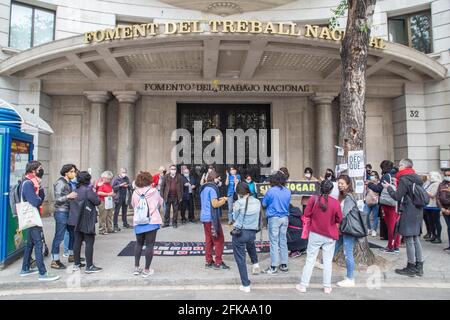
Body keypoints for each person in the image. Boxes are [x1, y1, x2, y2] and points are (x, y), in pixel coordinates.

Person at [296, 180, 343, 294]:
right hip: (330, 234)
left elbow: (306, 214)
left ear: (320, 188)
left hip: (315, 233)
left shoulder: (314, 199)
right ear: (331, 190)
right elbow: (339, 219)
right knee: (327, 261)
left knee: (310, 259)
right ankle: (327, 287)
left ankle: (303, 285)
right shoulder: (335, 203)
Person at [382, 158, 425, 277]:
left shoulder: (404, 179)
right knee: (415, 238)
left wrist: (388, 187)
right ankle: (419, 266)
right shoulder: (415, 177)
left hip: (408, 211)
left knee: (409, 239)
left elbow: (397, 196)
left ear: (405, 166)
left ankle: (411, 266)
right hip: (418, 210)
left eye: (400, 165)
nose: (398, 167)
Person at [20, 161, 59, 281]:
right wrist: (40, 191)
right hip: (32, 217)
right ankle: (43, 273)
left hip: (33, 216)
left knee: (30, 243)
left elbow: (39, 199)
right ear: (33, 170)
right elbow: (36, 201)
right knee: (38, 243)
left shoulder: (33, 182)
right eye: (40, 168)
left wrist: (40, 188)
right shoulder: (28, 183)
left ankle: (25, 268)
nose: (42, 170)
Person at [131, 171, 163, 278]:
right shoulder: (154, 191)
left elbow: (133, 204)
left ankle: (136, 267)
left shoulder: (135, 192)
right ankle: (146, 269)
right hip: (151, 221)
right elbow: (160, 203)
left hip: (138, 221)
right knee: (150, 245)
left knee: (138, 243)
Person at [69, 171, 102, 273]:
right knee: (89, 242)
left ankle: (76, 264)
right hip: (86, 219)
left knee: (77, 241)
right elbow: (97, 201)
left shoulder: (75, 190)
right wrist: (94, 190)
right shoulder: (88, 190)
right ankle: (89, 266)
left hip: (75, 219)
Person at [231, 182, 262, 293]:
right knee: (250, 245)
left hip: (240, 233)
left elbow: (235, 217)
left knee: (240, 259)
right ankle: (255, 263)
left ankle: (245, 284)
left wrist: (235, 207)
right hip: (252, 232)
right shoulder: (257, 202)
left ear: (239, 192)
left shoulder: (238, 203)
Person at [368, 160, 401, 254]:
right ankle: (396, 245)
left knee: (391, 226)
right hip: (397, 203)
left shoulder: (386, 175)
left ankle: (391, 246)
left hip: (389, 204)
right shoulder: (397, 174)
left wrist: (369, 184)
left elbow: (379, 188)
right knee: (395, 226)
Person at [262, 171, 291, 275]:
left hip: (274, 218)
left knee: (274, 242)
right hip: (285, 218)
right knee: (283, 241)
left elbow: (264, 203)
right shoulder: (288, 191)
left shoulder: (271, 191)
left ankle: (273, 266)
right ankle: (284, 264)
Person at [200, 170, 229, 270]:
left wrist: (219, 199)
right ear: (213, 178)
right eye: (217, 178)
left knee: (209, 240)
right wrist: (224, 200)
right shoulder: (212, 189)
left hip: (204, 218)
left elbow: (209, 201)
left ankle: (208, 261)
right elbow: (215, 204)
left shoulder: (204, 187)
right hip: (212, 219)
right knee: (219, 240)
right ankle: (218, 262)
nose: (218, 180)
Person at [334, 175, 360, 288]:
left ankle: (350, 278)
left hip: (348, 229)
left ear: (348, 184)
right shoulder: (343, 196)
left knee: (347, 253)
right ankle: (323, 262)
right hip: (344, 228)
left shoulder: (349, 197)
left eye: (342, 183)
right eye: (339, 183)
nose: (340, 185)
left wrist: (337, 223)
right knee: (335, 245)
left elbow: (344, 214)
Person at [51, 164, 78, 270]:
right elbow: (57, 199)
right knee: (59, 236)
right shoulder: (60, 182)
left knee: (72, 234)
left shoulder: (67, 182)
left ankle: (72, 255)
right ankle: (55, 260)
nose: (74, 173)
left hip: (68, 211)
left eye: (74, 171)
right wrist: (69, 196)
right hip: (61, 212)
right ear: (66, 172)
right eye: (72, 171)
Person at [424, 171, 443, 244]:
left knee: (436, 221)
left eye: (429, 175)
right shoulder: (429, 183)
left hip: (434, 205)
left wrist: (424, 191)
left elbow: (433, 194)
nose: (428, 176)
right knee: (430, 222)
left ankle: (438, 237)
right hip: (428, 205)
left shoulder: (437, 184)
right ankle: (433, 235)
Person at [437, 168, 450, 252]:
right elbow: (438, 197)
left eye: (449, 175)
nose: (447, 177)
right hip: (444, 208)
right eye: (445, 175)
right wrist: (441, 208)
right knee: (449, 227)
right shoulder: (441, 184)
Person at [364, 171, 380, 237]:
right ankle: (369, 228)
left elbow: (379, 191)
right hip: (368, 201)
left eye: (373, 175)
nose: (372, 176)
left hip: (375, 202)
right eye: (371, 175)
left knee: (375, 216)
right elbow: (365, 191)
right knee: (366, 214)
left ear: (377, 177)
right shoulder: (368, 183)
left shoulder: (379, 183)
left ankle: (374, 230)